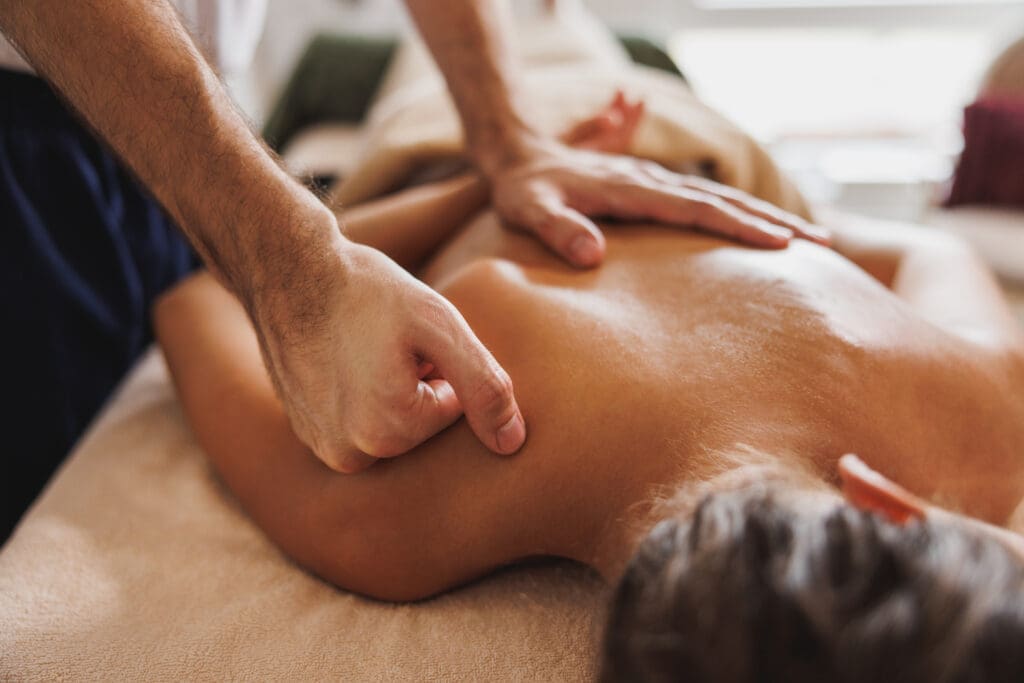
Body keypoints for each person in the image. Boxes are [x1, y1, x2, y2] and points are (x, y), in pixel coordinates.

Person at [153, 84, 1024, 678]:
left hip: (495, 146)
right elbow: (198, 303)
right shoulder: (391, 528)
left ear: (890, 505)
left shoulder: (987, 423)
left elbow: (199, 303)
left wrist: (492, 183)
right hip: (708, 161)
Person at [0, 0, 818, 541]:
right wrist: (294, 261)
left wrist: (501, 155)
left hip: (251, 106)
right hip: (47, 104)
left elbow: (187, 306)